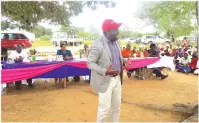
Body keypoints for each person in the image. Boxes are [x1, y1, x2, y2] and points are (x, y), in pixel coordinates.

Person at [87, 19, 130, 122]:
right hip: (105, 80)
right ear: (107, 32)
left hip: (117, 80)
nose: (118, 32)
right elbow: (90, 63)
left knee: (116, 108)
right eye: (115, 29)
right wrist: (105, 71)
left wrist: (124, 61)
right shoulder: (97, 44)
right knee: (104, 110)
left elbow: (117, 57)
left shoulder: (116, 42)